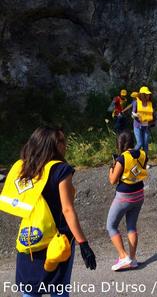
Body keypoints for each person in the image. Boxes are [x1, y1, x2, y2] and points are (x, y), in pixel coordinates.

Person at [0, 127, 96, 297]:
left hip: (30, 237)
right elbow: (67, 209)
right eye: (62, 141)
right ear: (52, 145)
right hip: (58, 239)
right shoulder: (61, 170)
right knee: (58, 288)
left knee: (30, 290)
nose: (65, 145)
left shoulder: (23, 168)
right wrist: (84, 244)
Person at [107, 131, 147, 271]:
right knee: (131, 226)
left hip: (124, 196)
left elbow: (112, 180)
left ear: (120, 143)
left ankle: (123, 257)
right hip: (139, 194)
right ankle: (133, 259)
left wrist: (112, 166)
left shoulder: (122, 159)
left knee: (111, 226)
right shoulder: (143, 154)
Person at [132, 86, 155, 165]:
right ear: (142, 95)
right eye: (147, 94)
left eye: (149, 94)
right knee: (139, 143)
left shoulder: (150, 103)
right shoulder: (136, 102)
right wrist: (136, 115)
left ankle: (144, 162)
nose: (148, 96)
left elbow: (152, 115)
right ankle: (131, 158)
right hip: (137, 126)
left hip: (146, 127)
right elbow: (132, 114)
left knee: (145, 145)